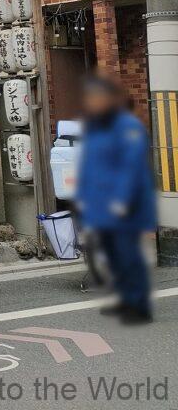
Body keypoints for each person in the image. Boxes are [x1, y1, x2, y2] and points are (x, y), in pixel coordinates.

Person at [76, 75, 156, 325]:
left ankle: (139, 304)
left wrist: (121, 200)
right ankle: (124, 298)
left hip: (126, 207)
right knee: (111, 255)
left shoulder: (128, 126)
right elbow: (88, 168)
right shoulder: (94, 128)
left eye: (96, 98)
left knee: (128, 254)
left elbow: (130, 167)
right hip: (100, 207)